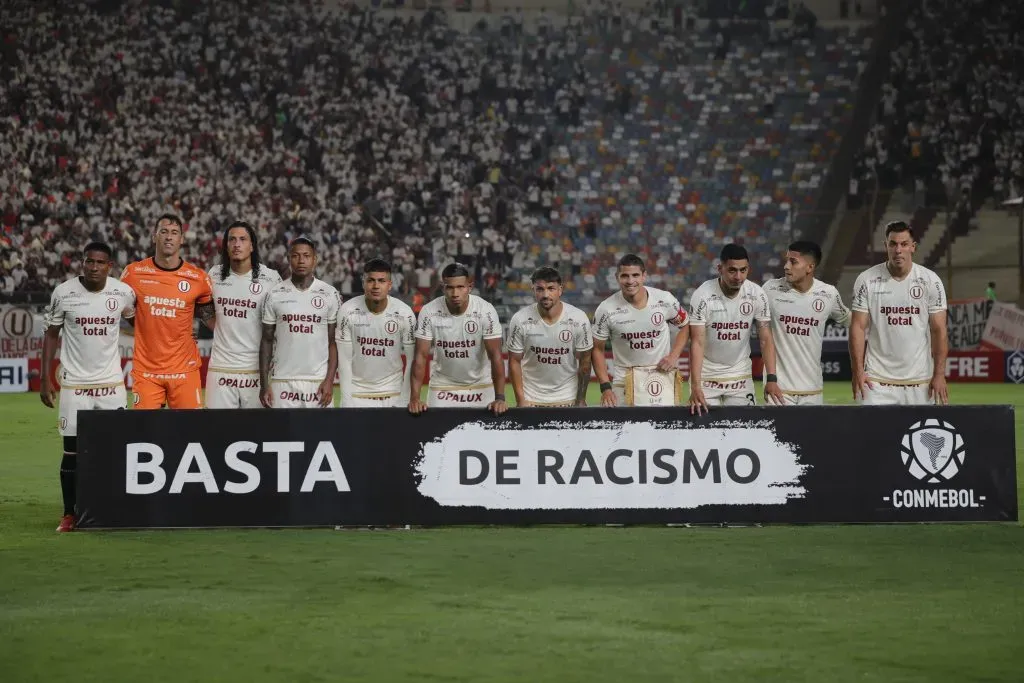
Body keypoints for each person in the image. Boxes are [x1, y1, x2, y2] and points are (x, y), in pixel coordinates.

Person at [40, 242, 135, 532]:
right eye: (89, 261)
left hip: (111, 384)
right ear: (82, 263)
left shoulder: (122, 293)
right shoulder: (64, 293)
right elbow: (52, 335)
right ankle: (70, 514)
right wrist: (45, 379)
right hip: (75, 385)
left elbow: (138, 325)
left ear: (110, 266)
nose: (94, 267)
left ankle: (114, 509)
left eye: (100, 262)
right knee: (72, 450)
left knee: (116, 450)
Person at [120, 214, 215, 409]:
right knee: (145, 433)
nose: (169, 237)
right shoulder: (133, 273)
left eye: (174, 233)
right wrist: (148, 327)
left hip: (184, 370)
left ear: (181, 239)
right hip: (147, 371)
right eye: (163, 232)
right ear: (155, 237)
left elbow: (209, 317)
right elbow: (123, 310)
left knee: (189, 432)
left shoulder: (198, 278)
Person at [850, 221, 949, 405]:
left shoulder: (930, 281)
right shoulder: (866, 280)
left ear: (913, 247)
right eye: (893, 244)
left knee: (919, 434)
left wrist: (939, 375)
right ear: (885, 246)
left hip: (920, 382)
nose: (898, 250)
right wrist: (857, 372)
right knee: (872, 435)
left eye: (904, 244)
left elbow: (939, 330)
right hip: (876, 382)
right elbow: (857, 327)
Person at [688, 243, 783, 413]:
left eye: (743, 270)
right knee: (703, 433)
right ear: (720, 268)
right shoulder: (702, 296)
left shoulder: (756, 294)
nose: (738, 276)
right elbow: (697, 343)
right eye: (732, 270)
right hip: (707, 376)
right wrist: (695, 385)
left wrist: (772, 378)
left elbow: (766, 338)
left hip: (740, 375)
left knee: (745, 432)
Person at [591, 254, 690, 406]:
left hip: (660, 378)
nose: (630, 281)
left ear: (644, 276)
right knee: (623, 429)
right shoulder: (606, 309)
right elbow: (597, 349)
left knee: (663, 428)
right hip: (624, 383)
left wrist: (673, 356)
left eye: (635, 275)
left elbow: (685, 325)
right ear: (617, 277)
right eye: (625, 276)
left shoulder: (664, 300)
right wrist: (605, 387)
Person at [408, 262, 506, 414]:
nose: (455, 293)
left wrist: (500, 397)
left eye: (460, 287)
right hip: (442, 386)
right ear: (443, 288)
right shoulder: (429, 312)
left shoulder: (485, 310)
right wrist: (414, 398)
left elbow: (496, 356)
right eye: (450, 287)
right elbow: (420, 356)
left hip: (480, 385)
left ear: (469, 287)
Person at [763, 241, 851, 405]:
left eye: (793, 262)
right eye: (787, 260)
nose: (786, 266)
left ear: (810, 267)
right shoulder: (770, 289)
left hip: (812, 390)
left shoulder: (828, 294)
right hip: (779, 389)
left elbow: (851, 321)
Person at [205, 221, 282, 409]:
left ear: (252, 245)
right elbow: (204, 309)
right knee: (217, 432)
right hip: (221, 369)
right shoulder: (214, 275)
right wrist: (221, 327)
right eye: (232, 239)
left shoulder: (271, 278)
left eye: (242, 239)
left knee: (257, 434)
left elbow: (281, 320)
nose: (237, 244)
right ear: (226, 245)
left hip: (257, 371)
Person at [259, 237, 341, 408]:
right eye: (296, 256)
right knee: (283, 435)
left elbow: (333, 342)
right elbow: (266, 340)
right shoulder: (275, 293)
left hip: (318, 382)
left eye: (306, 256)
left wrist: (329, 380)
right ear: (289, 259)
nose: (301, 260)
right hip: (282, 380)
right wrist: (264, 384)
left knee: (322, 435)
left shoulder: (329, 293)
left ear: (314, 259)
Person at [506, 266, 593, 407]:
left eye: (551, 288)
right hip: (531, 399)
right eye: (540, 289)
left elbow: (585, 360)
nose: (545, 294)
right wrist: (520, 400)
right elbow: (514, 361)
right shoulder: (520, 319)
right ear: (533, 290)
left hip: (568, 398)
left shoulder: (578, 318)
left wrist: (581, 399)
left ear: (560, 290)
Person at [337, 258, 416, 407]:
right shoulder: (347, 311)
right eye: (371, 280)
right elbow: (344, 361)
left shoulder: (405, 313)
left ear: (390, 285)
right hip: (357, 393)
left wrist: (405, 399)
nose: (375, 286)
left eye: (381, 281)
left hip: (393, 392)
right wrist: (347, 401)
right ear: (363, 283)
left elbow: (412, 360)